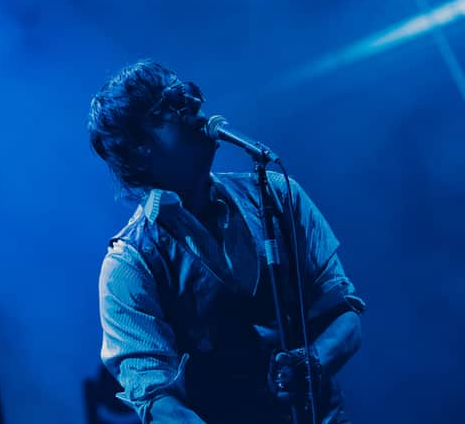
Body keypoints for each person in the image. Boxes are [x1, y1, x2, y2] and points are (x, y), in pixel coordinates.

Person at [87, 60, 366, 424]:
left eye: (187, 91)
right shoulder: (129, 265)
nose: (194, 103)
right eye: (170, 104)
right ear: (138, 148)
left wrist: (314, 362)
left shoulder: (278, 195)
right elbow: (156, 399)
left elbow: (344, 312)